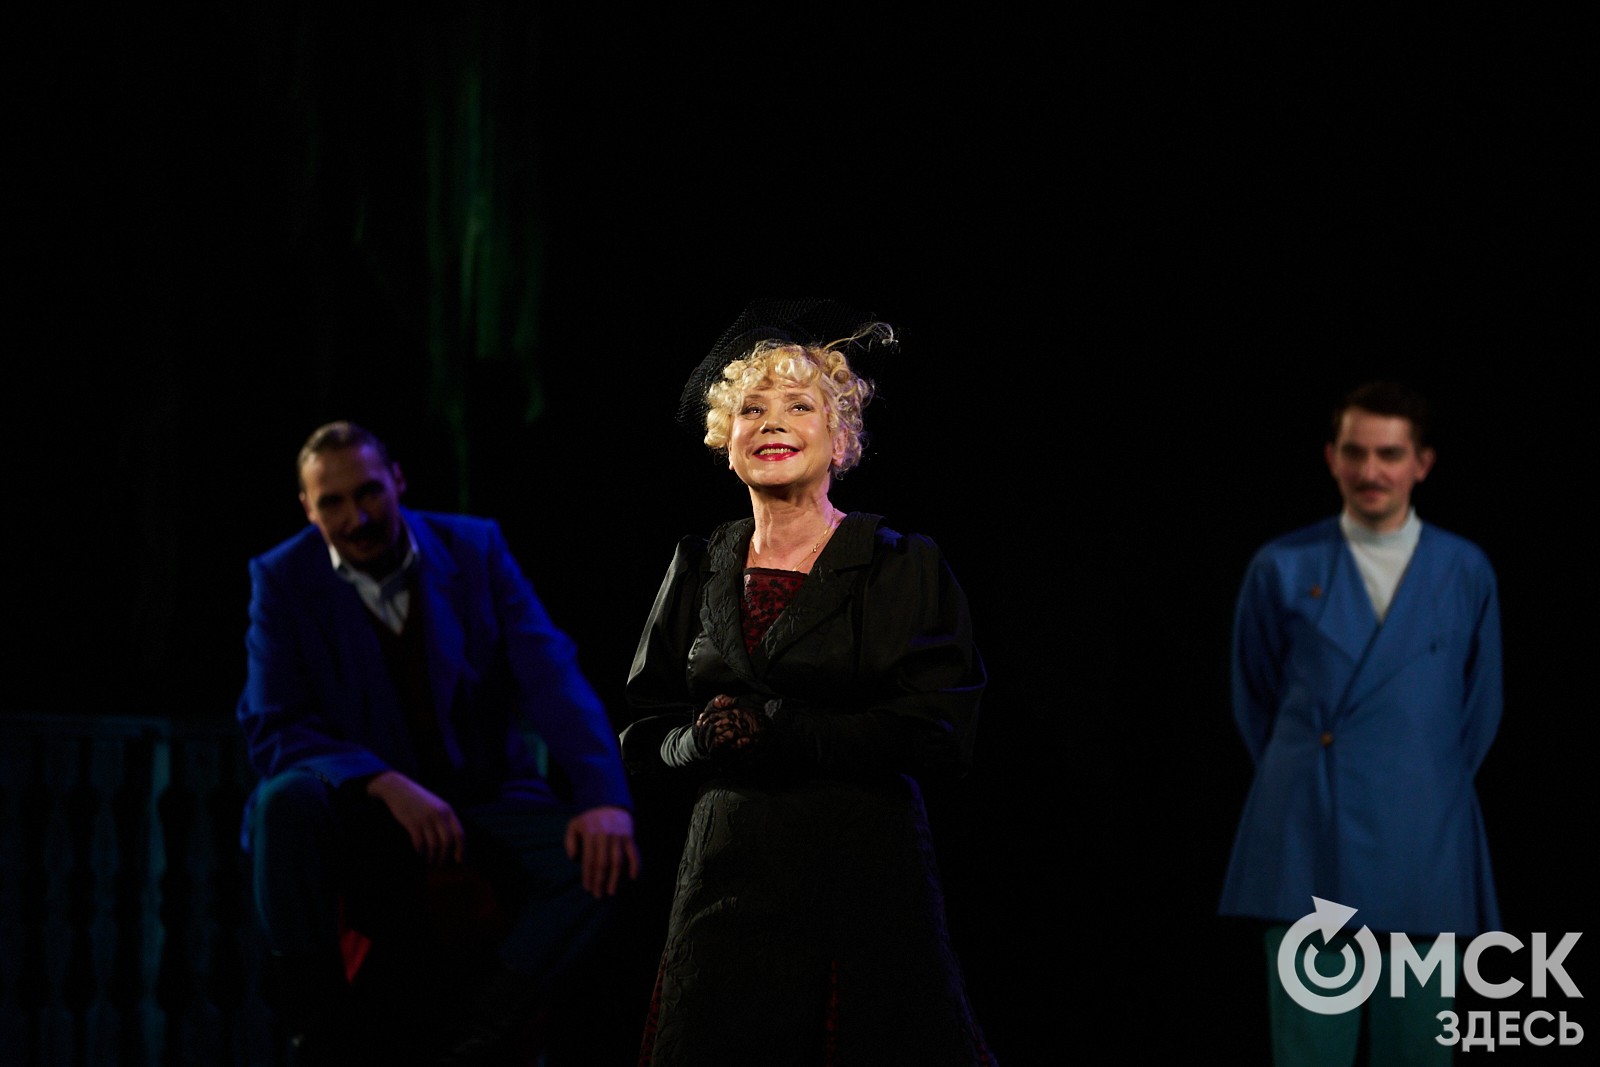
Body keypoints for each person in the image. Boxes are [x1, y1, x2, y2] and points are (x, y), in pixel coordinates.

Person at [618, 298, 997, 1067]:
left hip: (860, 875)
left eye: (798, 405)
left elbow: (940, 732)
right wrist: (700, 740)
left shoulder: (899, 564)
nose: (772, 423)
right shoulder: (698, 565)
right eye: (751, 409)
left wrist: (785, 728)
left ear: (840, 435)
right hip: (725, 884)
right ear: (725, 439)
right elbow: (642, 731)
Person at [235, 420, 640, 1066]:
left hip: (479, 796)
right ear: (308, 508)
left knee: (603, 865)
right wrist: (384, 783)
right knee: (283, 801)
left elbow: (550, 677)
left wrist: (603, 798)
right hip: (362, 810)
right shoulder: (282, 577)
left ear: (397, 480)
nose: (356, 516)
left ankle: (477, 1033)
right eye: (332, 502)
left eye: (368, 491)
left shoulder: (474, 548)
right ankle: (317, 1031)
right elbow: (273, 723)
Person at [1218, 381, 1503, 1066]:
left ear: (1422, 463)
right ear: (1331, 457)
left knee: (1418, 1050)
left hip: (1423, 845)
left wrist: (1422, 779)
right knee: (1310, 1052)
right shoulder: (1282, 566)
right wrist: (1310, 779)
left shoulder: (1465, 569)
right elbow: (1255, 697)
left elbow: (1478, 710)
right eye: (1355, 452)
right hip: (1310, 841)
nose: (1370, 470)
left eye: (1389, 453)